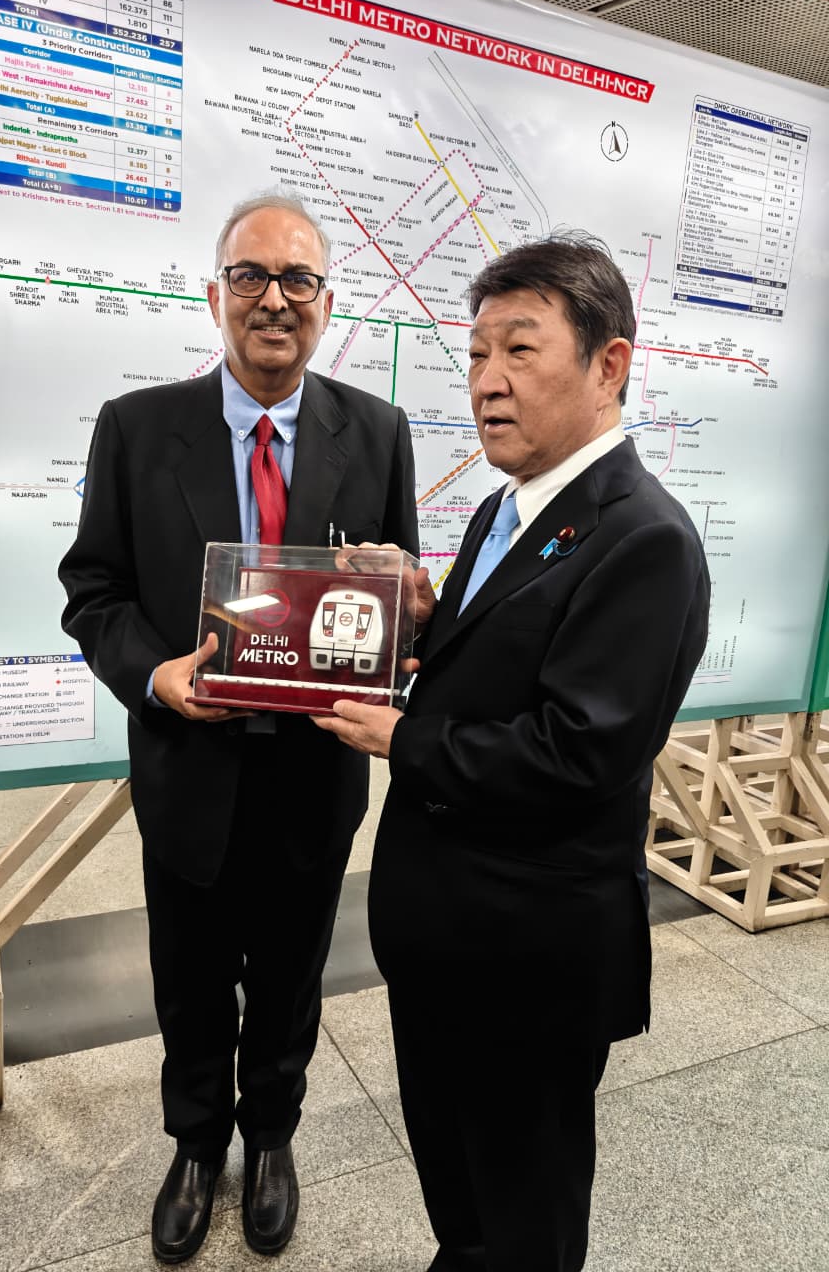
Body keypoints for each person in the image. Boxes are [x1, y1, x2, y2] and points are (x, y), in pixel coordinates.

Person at [315, 234, 710, 1272]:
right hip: (444, 933)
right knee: (461, 1189)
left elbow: (579, 752)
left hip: (531, 957)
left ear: (608, 364)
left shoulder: (646, 538)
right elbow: (514, 655)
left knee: (526, 1214)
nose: (486, 381)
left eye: (520, 350)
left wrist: (404, 733)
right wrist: (429, 611)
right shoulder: (507, 504)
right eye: (478, 351)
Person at [58, 190, 418, 1263]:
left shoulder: (380, 431)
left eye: (298, 280)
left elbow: (394, 598)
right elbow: (94, 589)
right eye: (253, 277)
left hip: (314, 776)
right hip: (189, 767)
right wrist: (156, 674)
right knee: (190, 970)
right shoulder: (136, 428)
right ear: (215, 294)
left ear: (325, 303)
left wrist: (398, 633)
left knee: (294, 972)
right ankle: (194, 1140)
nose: (275, 299)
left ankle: (271, 1134)